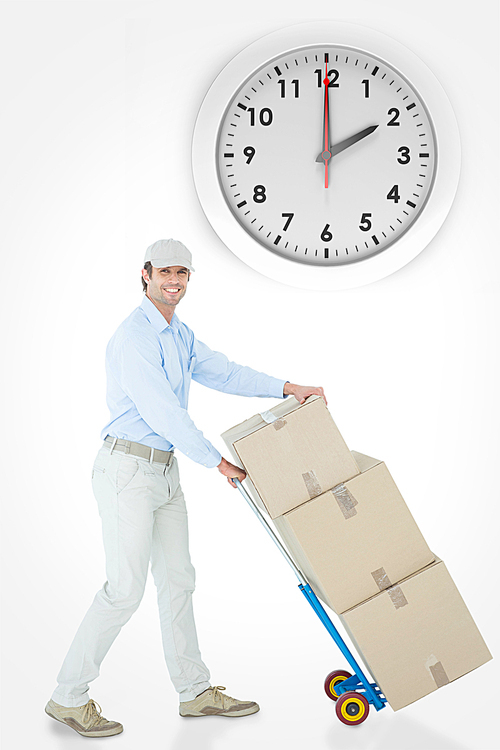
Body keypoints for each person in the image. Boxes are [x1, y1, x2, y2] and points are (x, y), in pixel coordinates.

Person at [45, 239, 326, 737]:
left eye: (184, 273)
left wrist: (287, 387)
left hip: (165, 472)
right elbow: (162, 412)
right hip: (126, 471)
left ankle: (194, 693)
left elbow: (222, 370)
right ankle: (68, 698)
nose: (175, 281)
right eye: (166, 272)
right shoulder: (134, 336)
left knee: (178, 580)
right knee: (123, 590)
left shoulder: (178, 333)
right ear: (146, 274)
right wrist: (216, 461)